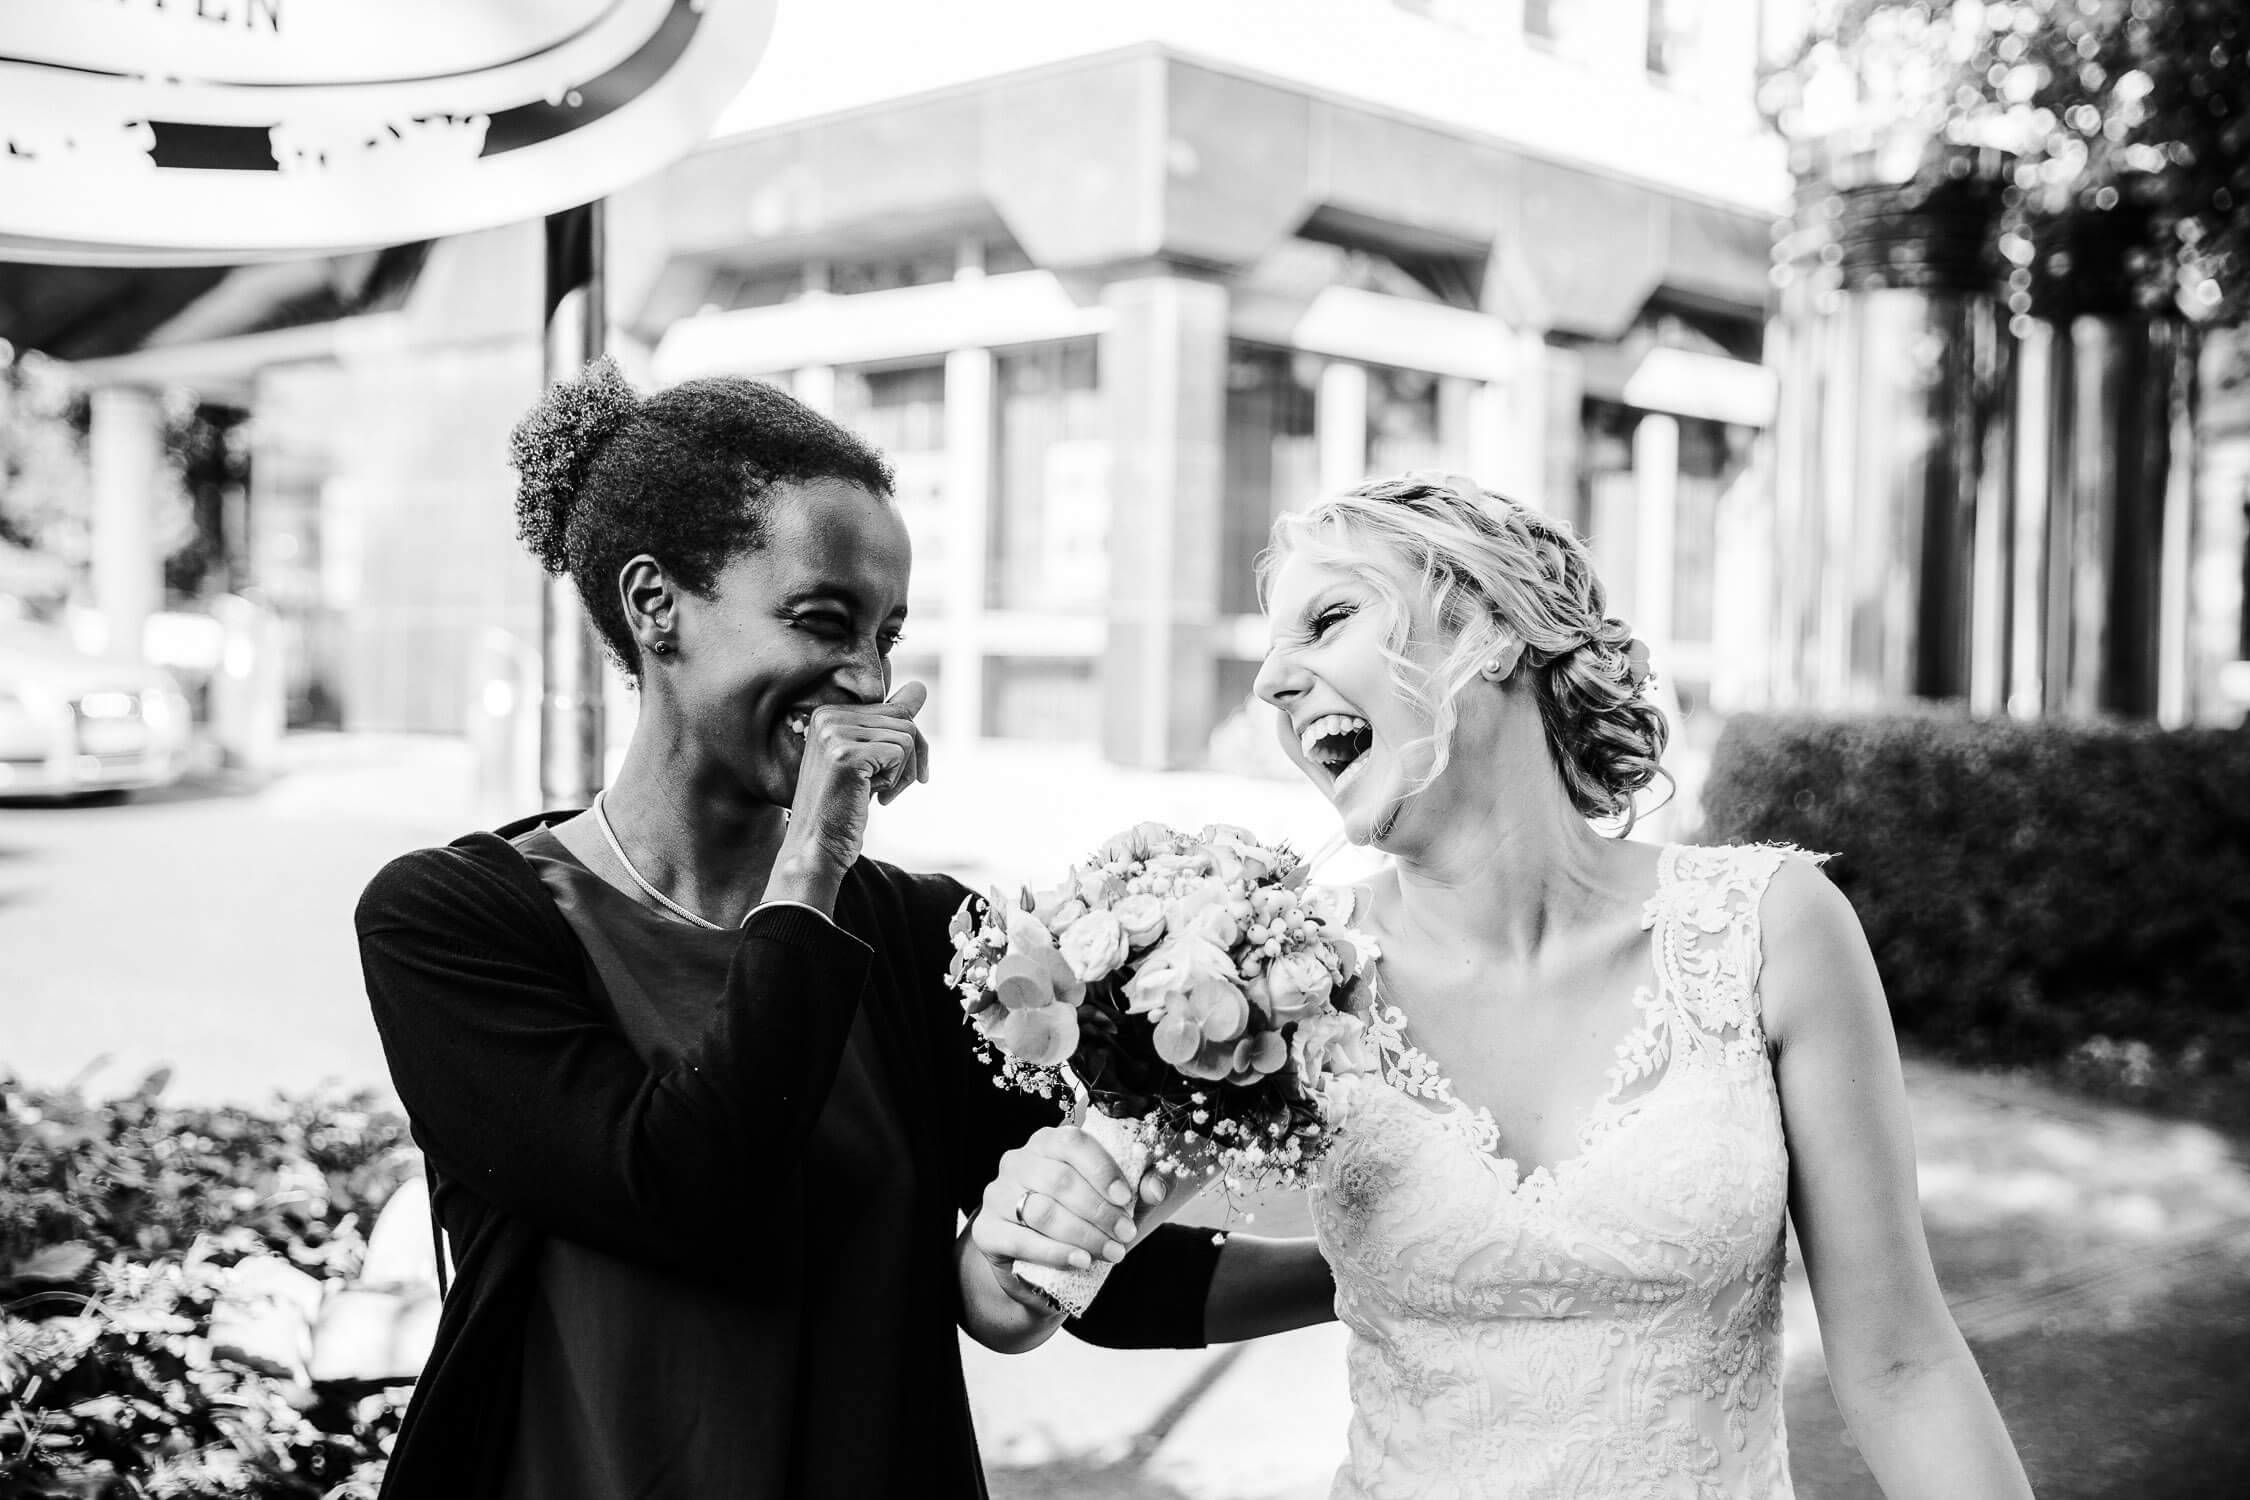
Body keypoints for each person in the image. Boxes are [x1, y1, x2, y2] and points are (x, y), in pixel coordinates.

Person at [353, 361, 1327, 1499]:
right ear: (653, 605)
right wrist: (814, 855)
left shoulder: (926, 938)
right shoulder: (455, 919)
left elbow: (1081, 1267)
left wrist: (1376, 1275)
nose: (866, 678)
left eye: (887, 635)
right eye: (823, 622)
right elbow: (684, 1189)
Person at [1248, 472, 2034, 1499]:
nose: (1271, 681)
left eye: (1329, 618)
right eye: (1273, 644)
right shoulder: (1295, 971)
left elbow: (1901, 1364)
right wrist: (1026, 1244)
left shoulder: (1772, 931)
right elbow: (1064, 1269)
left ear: (1487, 626)